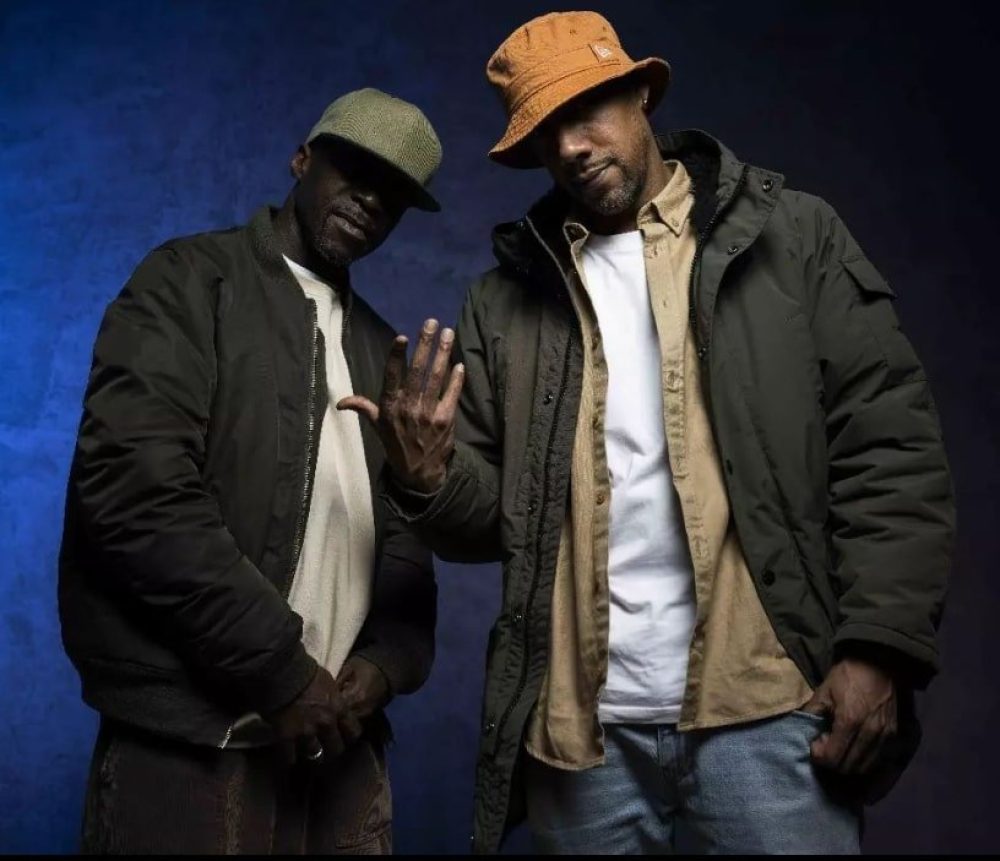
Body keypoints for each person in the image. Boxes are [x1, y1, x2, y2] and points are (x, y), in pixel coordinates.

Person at [341, 13, 955, 855]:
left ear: (640, 92)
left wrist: (880, 649)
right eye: (546, 133)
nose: (571, 147)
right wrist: (426, 477)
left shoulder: (790, 238)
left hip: (769, 710)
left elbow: (889, 448)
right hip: (580, 737)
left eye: (585, 111)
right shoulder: (507, 299)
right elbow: (492, 523)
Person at [59, 87, 440, 854]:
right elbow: (135, 495)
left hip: (341, 756)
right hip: (196, 746)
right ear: (302, 160)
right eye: (355, 170)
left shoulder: (379, 346)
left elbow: (399, 530)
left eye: (394, 192)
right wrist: (282, 671)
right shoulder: (188, 283)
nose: (371, 199)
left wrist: (384, 661)